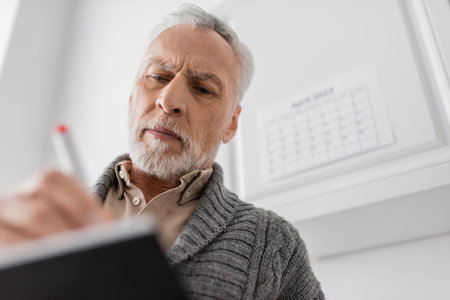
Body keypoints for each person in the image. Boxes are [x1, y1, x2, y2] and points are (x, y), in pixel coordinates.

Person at [0, 4, 324, 299]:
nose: (169, 101)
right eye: (157, 76)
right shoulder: (48, 222)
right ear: (131, 100)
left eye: (202, 88)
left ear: (231, 123)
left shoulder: (274, 245)